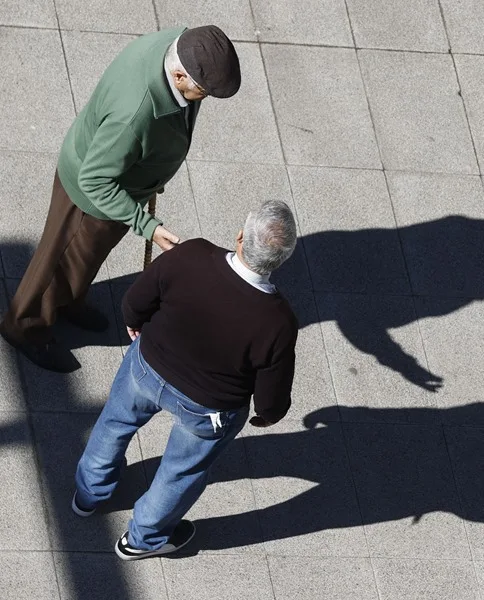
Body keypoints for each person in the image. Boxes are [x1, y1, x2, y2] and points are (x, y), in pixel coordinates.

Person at [0, 25, 242, 372]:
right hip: (90, 199)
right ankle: (25, 326)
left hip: (120, 180)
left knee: (82, 263)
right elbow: (95, 180)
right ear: (178, 74)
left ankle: (69, 300)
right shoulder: (135, 115)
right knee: (59, 262)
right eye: (201, 91)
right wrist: (147, 226)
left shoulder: (177, 46)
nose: (202, 98)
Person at [72, 200, 299, 560]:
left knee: (114, 424)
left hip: (147, 366)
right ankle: (143, 539)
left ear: (240, 237)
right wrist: (268, 413)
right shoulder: (279, 322)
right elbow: (272, 389)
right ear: (281, 260)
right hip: (208, 407)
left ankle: (89, 493)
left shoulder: (192, 255)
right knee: (179, 472)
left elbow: (137, 300)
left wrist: (136, 321)